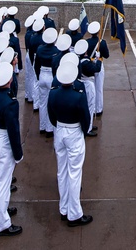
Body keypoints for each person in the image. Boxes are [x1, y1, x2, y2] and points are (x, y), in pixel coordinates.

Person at [47, 61, 93, 226]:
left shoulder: (53, 93)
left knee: (62, 171)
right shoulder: (78, 95)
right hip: (74, 131)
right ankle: (74, 213)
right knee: (74, 174)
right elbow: (85, 118)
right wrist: (83, 131)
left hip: (60, 130)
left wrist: (60, 125)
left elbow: (50, 115)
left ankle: (64, 208)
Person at [0, 61, 23, 237]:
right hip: (4, 140)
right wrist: (18, 153)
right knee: (3, 181)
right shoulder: (10, 102)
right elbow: (13, 130)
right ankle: (2, 224)